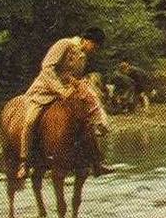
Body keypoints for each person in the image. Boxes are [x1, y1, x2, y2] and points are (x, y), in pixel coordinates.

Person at [17, 27, 114, 180]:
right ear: (87, 40)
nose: (94, 50)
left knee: (86, 120)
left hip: (68, 92)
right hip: (45, 90)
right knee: (30, 121)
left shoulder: (83, 55)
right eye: (94, 46)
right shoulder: (64, 44)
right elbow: (47, 68)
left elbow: (73, 76)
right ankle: (25, 161)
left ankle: (96, 161)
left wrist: (79, 85)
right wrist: (61, 90)